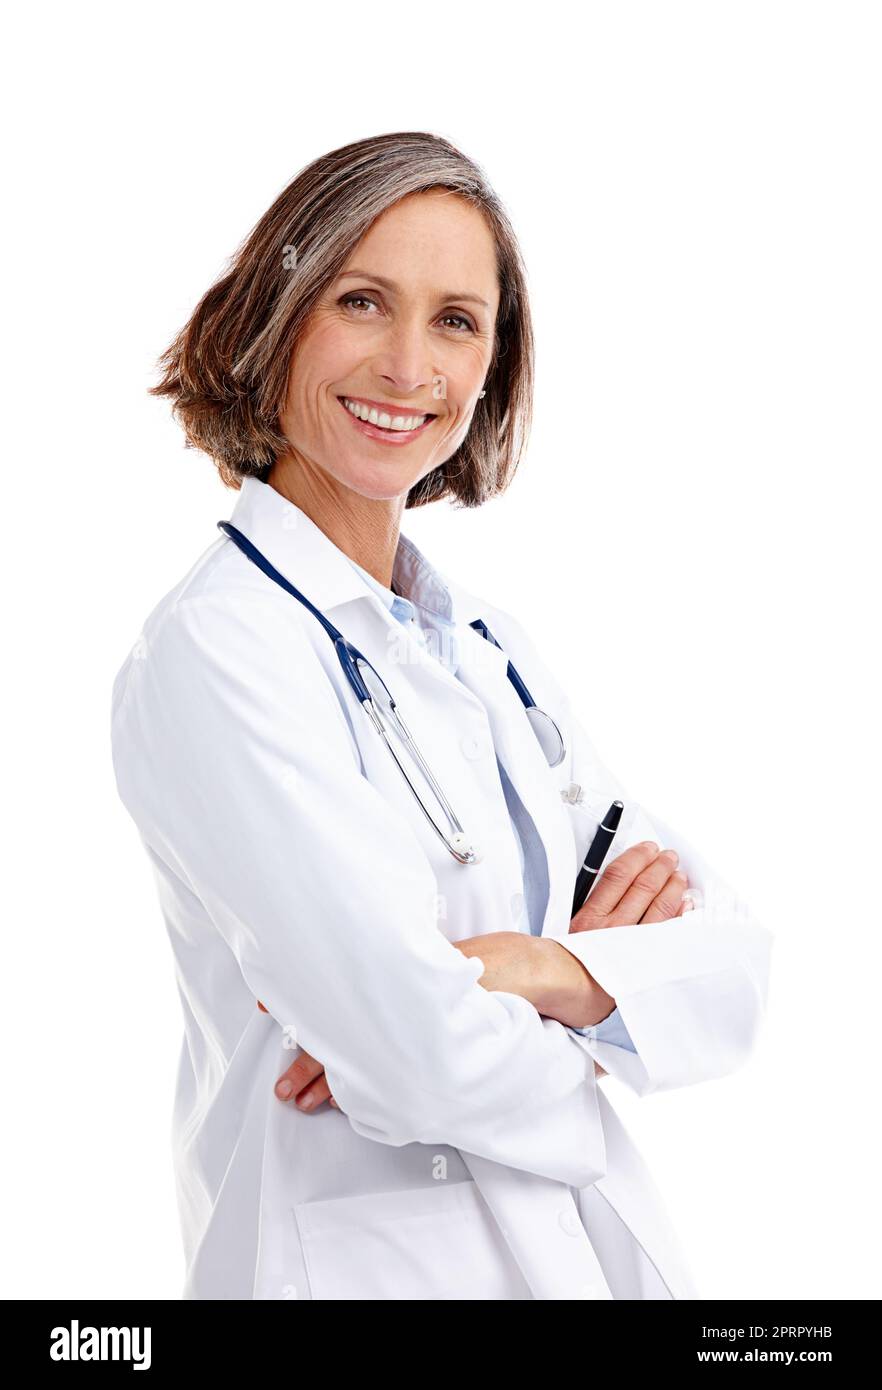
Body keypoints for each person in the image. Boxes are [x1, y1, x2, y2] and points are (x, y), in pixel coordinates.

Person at [110, 131, 772, 1300]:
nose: (409, 364)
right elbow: (417, 1053)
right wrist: (598, 1008)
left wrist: (525, 966)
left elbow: (726, 964)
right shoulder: (221, 648)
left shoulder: (485, 651)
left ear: (492, 364)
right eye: (364, 301)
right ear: (279, 317)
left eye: (458, 320)